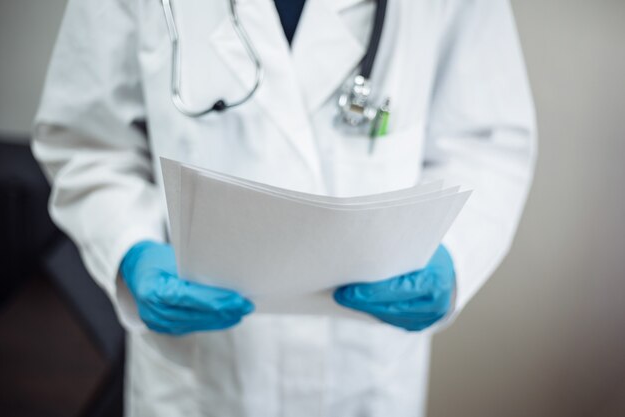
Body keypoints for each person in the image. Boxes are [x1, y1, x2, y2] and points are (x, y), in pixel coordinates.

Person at [32, 0, 536, 416]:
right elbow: (88, 141)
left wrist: (453, 253)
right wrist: (130, 248)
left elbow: (486, 141)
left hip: (366, 378)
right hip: (202, 383)